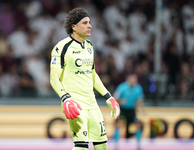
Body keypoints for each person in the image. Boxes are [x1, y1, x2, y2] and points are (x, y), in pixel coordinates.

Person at [50, 7, 120, 150]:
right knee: (81, 146)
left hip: (92, 104)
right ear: (74, 27)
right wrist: (66, 99)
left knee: (102, 147)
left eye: (89, 22)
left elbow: (92, 74)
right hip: (75, 104)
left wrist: (108, 97)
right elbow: (53, 78)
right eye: (85, 23)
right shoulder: (62, 47)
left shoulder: (89, 46)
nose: (90, 26)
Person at [113, 73, 144, 150]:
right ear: (128, 79)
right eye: (132, 79)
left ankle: (138, 146)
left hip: (131, 110)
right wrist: (120, 101)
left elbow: (140, 100)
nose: (134, 81)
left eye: (135, 79)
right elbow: (115, 98)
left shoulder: (138, 88)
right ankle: (116, 145)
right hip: (122, 109)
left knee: (138, 125)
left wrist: (140, 104)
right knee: (118, 124)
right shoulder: (122, 87)